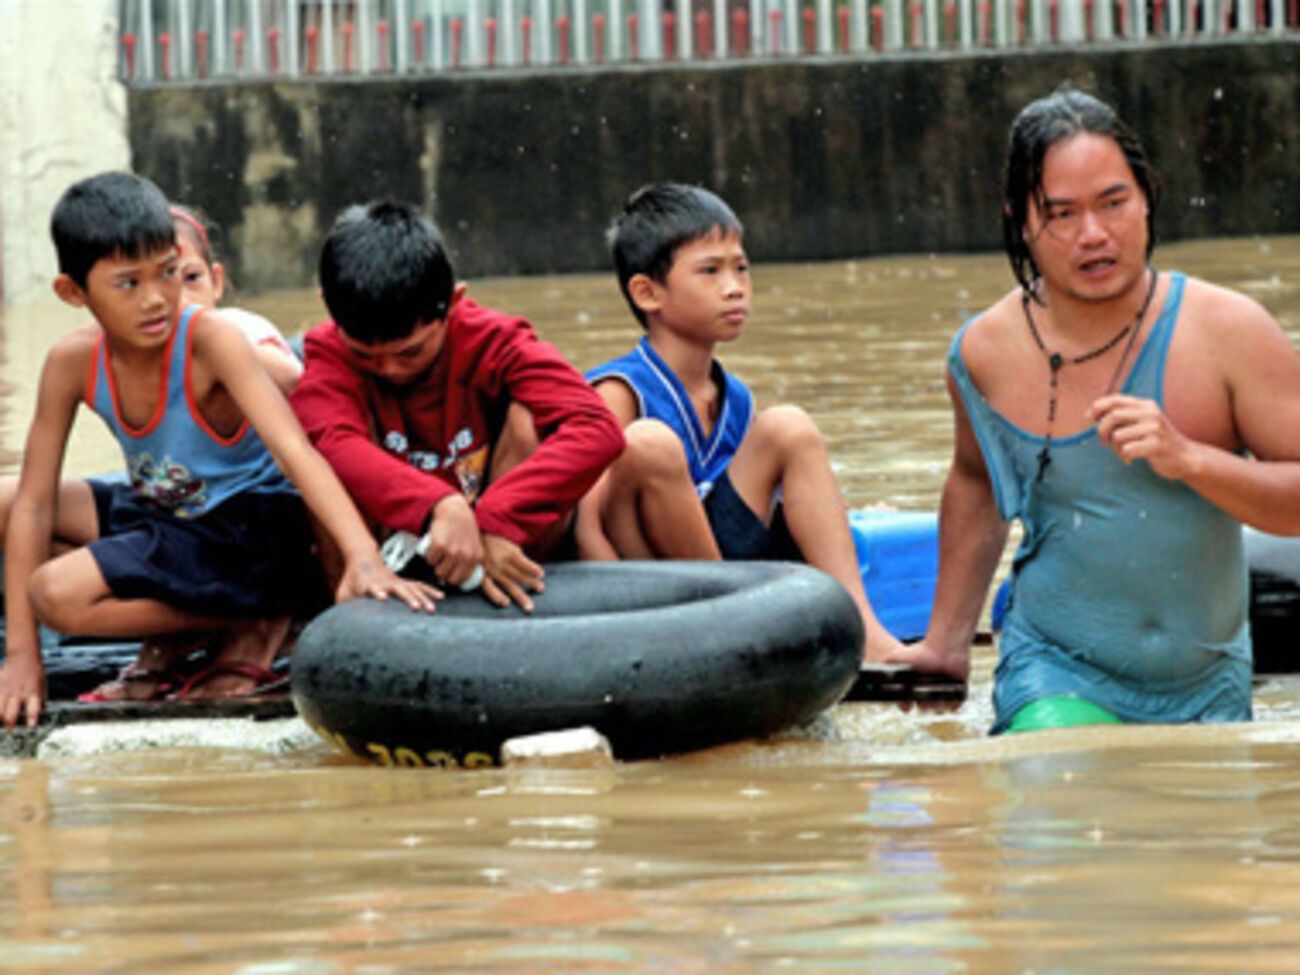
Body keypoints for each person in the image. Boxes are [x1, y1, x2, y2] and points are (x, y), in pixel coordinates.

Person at [890, 88, 1300, 732]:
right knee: (1067, 793)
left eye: (1114, 204)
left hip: (1208, 685)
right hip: (1056, 670)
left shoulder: (1229, 331)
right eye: (1062, 214)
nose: (1094, 235)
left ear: (1147, 199)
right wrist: (945, 644)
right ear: (1021, 221)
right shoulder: (983, 352)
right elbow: (975, 483)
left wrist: (1192, 459)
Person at [0, 172, 439, 729]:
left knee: (53, 593)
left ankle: (263, 611)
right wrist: (22, 656)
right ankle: (218, 620)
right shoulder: (70, 362)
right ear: (74, 293)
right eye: (128, 284)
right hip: (169, 512)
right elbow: (36, 504)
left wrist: (362, 559)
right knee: (9, 502)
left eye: (166, 272)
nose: (157, 298)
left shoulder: (210, 340)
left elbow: (300, 452)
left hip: (247, 528)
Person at [578, 182, 905, 663]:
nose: (734, 287)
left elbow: (767, 497)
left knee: (788, 425)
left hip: (726, 565)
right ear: (647, 293)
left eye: (741, 268)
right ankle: (728, 627)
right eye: (710, 271)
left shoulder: (736, 399)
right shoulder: (618, 392)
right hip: (652, 575)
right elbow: (587, 525)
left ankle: (865, 632)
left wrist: (855, 512)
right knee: (650, 444)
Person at [289, 199, 625, 613]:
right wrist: (438, 505)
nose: (390, 370)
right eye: (365, 356)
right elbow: (330, 442)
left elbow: (597, 429)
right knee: (316, 460)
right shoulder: (327, 351)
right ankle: (355, 607)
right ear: (328, 308)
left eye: (410, 353)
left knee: (530, 418)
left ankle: (512, 588)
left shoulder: (496, 339)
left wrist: (496, 518)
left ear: (453, 301)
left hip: (500, 540)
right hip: (391, 548)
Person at [169, 203, 303, 392]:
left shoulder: (242, 329)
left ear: (216, 282)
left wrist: (220, 348)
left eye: (191, 278)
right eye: (165, 283)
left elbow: (292, 377)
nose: (182, 300)